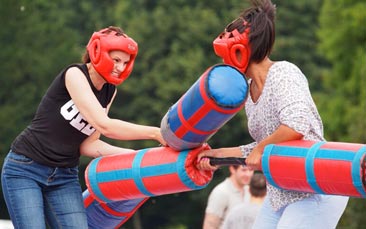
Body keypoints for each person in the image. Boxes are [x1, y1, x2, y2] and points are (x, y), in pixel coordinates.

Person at [197, 0, 349, 228]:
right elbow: (264, 147)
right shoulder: (249, 91)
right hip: (283, 190)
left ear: (239, 51)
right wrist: (217, 155)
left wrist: (260, 148)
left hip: (317, 185)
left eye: (224, 55)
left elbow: (296, 124)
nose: (223, 63)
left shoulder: (284, 73)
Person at [1, 26, 166, 229]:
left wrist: (137, 156)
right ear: (97, 52)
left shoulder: (109, 91)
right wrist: (156, 133)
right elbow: (105, 126)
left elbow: (89, 145)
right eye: (116, 60)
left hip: (64, 176)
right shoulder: (75, 74)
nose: (121, 68)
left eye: (125, 62)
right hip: (26, 168)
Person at [202, 165, 254, 229]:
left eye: (251, 170)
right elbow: (209, 226)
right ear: (232, 169)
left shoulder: (250, 191)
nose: (248, 174)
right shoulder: (221, 192)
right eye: (244, 170)